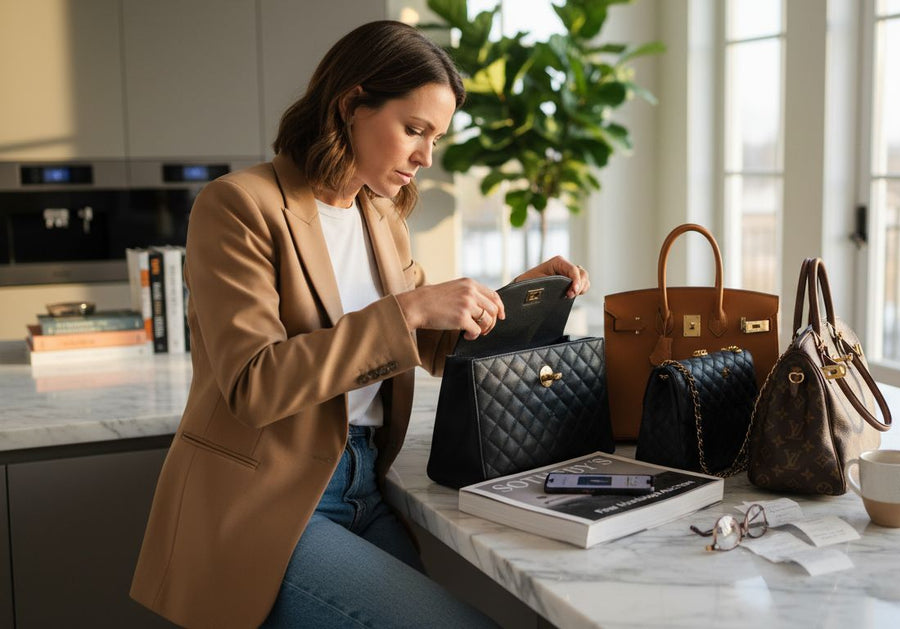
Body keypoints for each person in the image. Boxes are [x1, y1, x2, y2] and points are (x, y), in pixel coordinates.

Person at [130, 20, 589, 628]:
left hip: (366, 484)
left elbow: (425, 339)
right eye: (414, 129)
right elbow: (253, 384)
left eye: (437, 136)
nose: (426, 156)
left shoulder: (381, 214)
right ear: (351, 104)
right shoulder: (237, 206)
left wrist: (519, 296)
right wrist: (408, 309)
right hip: (268, 504)